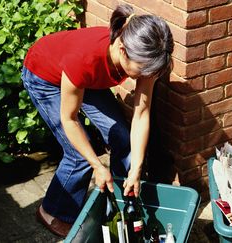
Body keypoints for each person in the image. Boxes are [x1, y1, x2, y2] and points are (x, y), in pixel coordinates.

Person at [21, 4, 173, 237]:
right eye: (142, 72)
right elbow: (69, 120)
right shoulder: (83, 59)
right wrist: (97, 165)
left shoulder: (147, 56)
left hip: (86, 79)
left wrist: (137, 170)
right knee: (79, 155)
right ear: (122, 50)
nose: (146, 77)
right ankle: (52, 211)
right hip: (45, 77)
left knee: (123, 138)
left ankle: (123, 198)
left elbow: (141, 113)